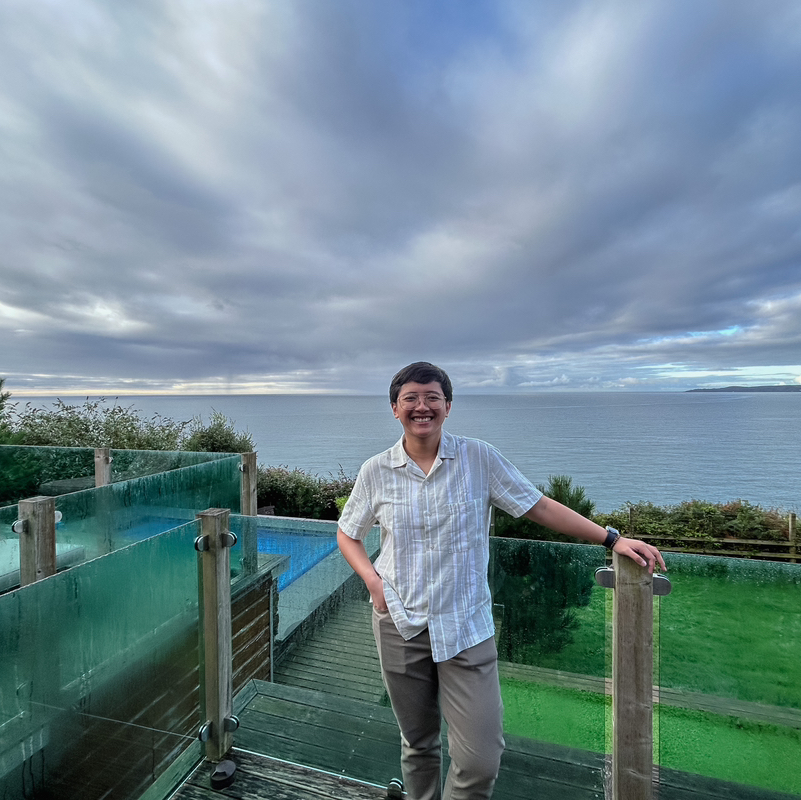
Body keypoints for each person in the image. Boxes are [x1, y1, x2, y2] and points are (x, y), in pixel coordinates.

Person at [337, 362, 665, 800]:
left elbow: (538, 506)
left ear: (448, 406)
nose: (422, 406)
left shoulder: (478, 458)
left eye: (432, 397)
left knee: (480, 759)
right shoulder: (376, 470)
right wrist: (372, 581)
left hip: (466, 626)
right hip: (399, 621)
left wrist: (612, 539)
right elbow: (348, 533)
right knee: (417, 742)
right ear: (395, 408)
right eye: (410, 398)